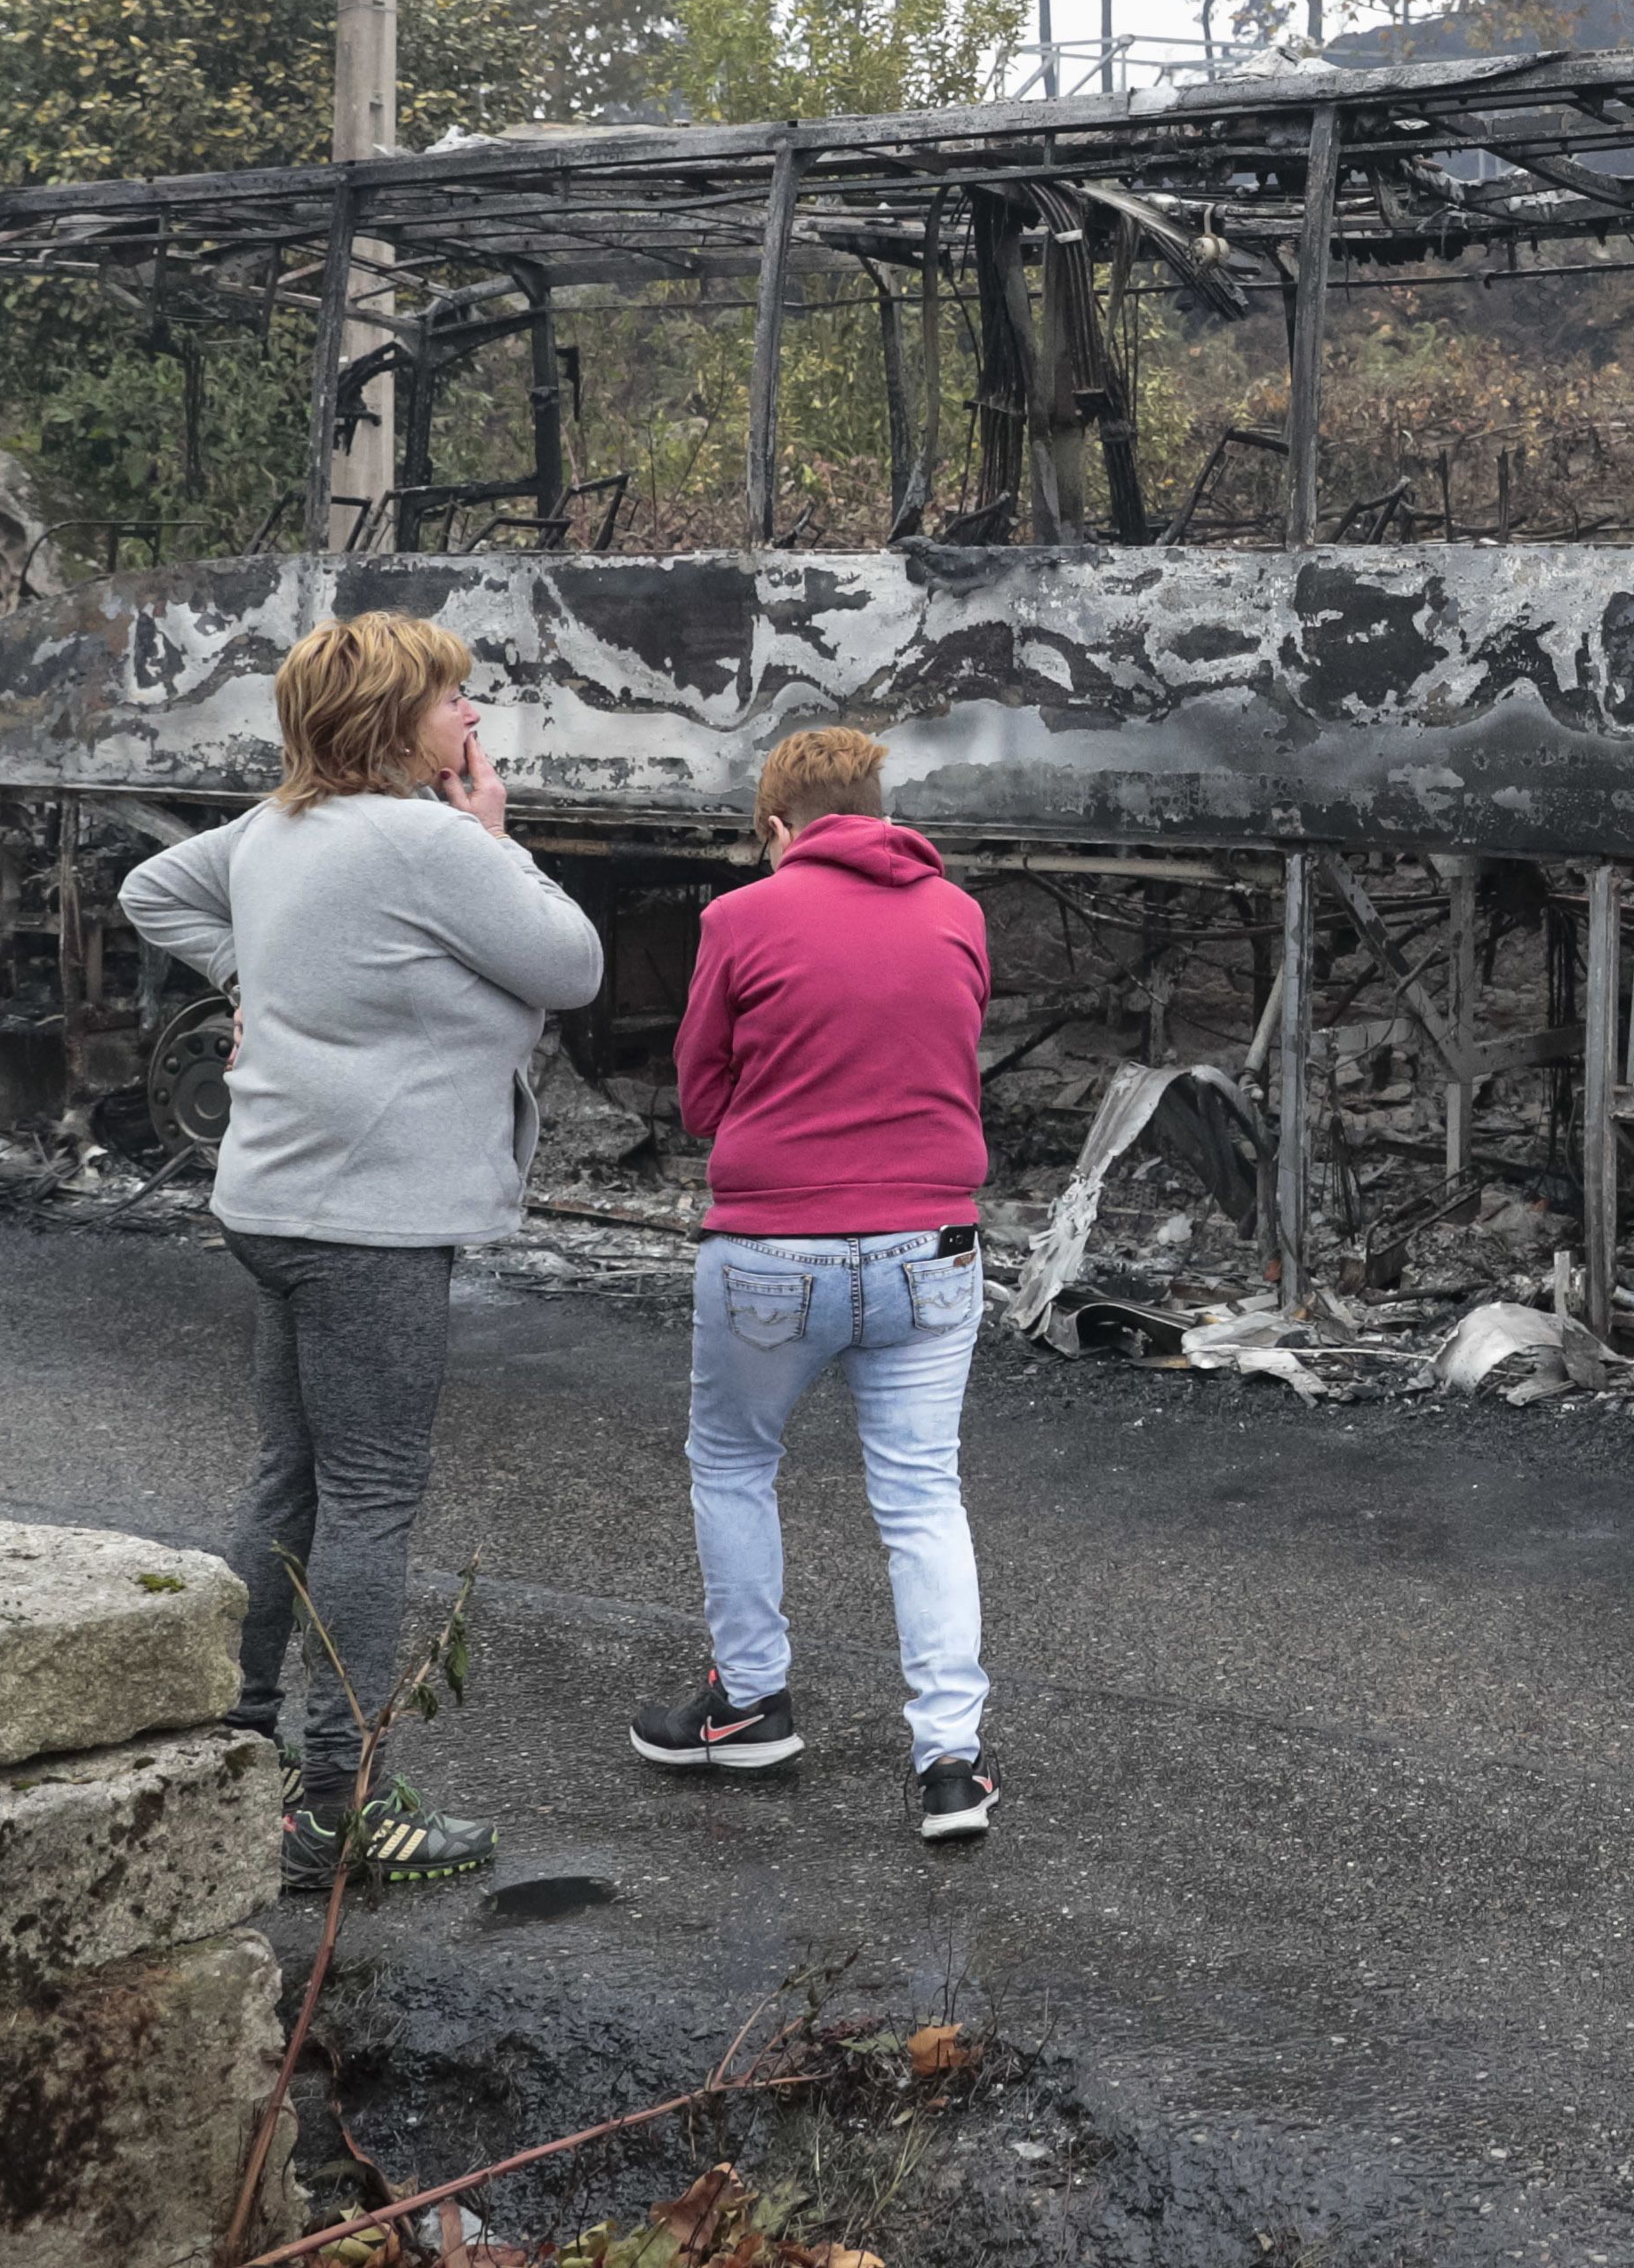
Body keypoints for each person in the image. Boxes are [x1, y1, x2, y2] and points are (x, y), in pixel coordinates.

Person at [121, 610, 603, 1892]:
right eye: (454, 699)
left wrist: (260, 988)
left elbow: (152, 889)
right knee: (372, 1496)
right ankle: (340, 1804)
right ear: (398, 722)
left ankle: (226, 1728)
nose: (474, 720)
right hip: (369, 1222)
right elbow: (574, 965)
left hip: (272, 1204)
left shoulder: (278, 828)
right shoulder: (430, 840)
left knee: (292, 1472)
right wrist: (495, 837)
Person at [631, 724, 1000, 1843]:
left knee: (737, 1464)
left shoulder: (740, 917)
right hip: (934, 1243)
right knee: (922, 1495)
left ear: (779, 829)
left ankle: (749, 1705)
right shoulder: (959, 912)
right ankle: (949, 1767)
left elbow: (699, 1097)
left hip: (774, 1249)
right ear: (880, 810)